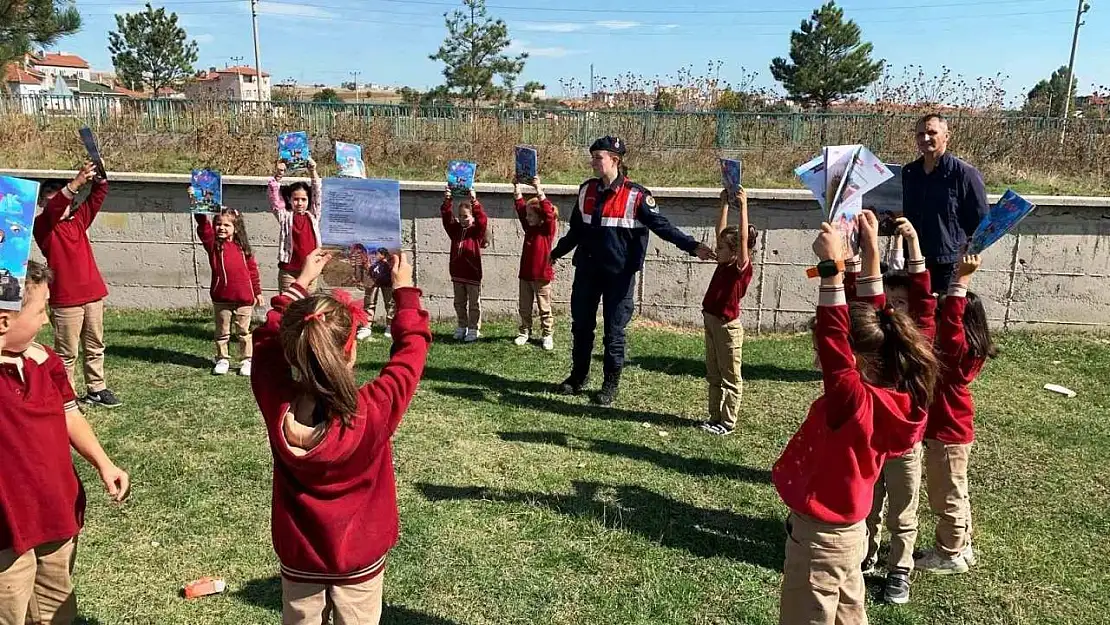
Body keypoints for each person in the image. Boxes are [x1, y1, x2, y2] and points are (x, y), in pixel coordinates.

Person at [250, 249, 432, 625]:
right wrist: (404, 292)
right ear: (351, 353)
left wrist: (298, 286)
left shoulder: (276, 404)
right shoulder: (373, 411)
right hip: (359, 562)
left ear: (294, 352)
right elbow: (411, 351)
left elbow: (266, 343)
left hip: (300, 559)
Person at [773, 216, 938, 625]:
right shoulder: (897, 394)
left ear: (858, 360)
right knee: (849, 614)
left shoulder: (853, 401)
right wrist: (870, 254)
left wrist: (831, 270)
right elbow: (877, 324)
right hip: (851, 533)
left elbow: (834, 341)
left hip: (820, 541)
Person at [0, 261, 130, 624]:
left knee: (57, 606)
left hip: (55, 511)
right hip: (7, 529)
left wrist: (104, 463)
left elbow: (70, 415)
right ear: (3, 321)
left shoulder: (47, 361)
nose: (45, 321)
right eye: (40, 310)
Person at [550, 136, 714, 406]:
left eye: (597, 157)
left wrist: (692, 246)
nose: (592, 162)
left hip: (619, 277)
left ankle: (609, 385)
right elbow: (576, 232)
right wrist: (555, 253)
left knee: (614, 333)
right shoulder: (586, 190)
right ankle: (578, 377)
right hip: (588, 272)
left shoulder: (637, 195)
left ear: (614, 160)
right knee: (581, 328)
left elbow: (662, 226)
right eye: (592, 157)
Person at [857, 217, 938, 604]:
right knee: (868, 504)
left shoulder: (921, 339)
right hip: (872, 439)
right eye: (891, 302)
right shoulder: (875, 341)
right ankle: (866, 556)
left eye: (902, 302)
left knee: (903, 511)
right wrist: (860, 249)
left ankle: (899, 569)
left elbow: (923, 295)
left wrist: (914, 241)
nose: (895, 307)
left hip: (905, 443)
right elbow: (868, 298)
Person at [916, 253, 996, 575]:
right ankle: (963, 546)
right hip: (955, 432)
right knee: (957, 490)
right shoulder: (969, 353)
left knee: (945, 495)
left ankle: (948, 553)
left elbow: (950, 331)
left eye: (947, 314)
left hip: (947, 435)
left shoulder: (956, 351)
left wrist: (961, 281)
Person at [33, 162, 122, 408]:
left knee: (95, 346)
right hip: (65, 301)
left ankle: (97, 389)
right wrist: (76, 182)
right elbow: (55, 208)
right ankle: (67, 396)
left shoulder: (79, 220)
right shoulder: (43, 227)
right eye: (50, 202)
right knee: (66, 353)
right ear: (43, 204)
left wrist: (100, 179)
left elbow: (97, 197)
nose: (58, 206)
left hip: (93, 295)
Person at [902, 113, 989, 294]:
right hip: (912, 259)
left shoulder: (965, 174)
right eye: (920, 134)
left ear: (946, 136)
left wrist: (966, 257)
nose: (925, 138)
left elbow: (981, 222)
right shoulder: (909, 173)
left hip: (947, 264)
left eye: (932, 133)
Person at [699, 187, 756, 436]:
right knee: (713, 373)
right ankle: (714, 416)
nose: (716, 249)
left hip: (727, 327)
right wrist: (723, 204)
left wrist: (743, 206)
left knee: (730, 376)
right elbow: (719, 231)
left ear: (734, 253)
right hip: (710, 321)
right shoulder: (723, 262)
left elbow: (742, 239)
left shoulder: (740, 267)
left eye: (722, 247)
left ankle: (727, 422)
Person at [194, 208, 263, 376]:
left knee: (244, 332)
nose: (222, 228)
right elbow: (203, 226)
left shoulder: (243, 248)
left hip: (244, 299)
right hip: (221, 299)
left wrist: (257, 292)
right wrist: (198, 206)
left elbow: (253, 271)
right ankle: (222, 359)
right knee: (222, 331)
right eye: (218, 224)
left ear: (236, 228)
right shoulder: (214, 246)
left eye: (227, 225)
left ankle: (247, 360)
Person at [512, 176, 557, 351]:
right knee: (524, 306)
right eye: (528, 215)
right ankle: (524, 331)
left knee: (544, 308)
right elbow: (520, 208)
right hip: (525, 275)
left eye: (531, 215)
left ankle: (547, 334)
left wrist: (539, 189)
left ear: (540, 217)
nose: (527, 218)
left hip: (542, 276)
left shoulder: (547, 230)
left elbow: (549, 213)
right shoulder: (529, 228)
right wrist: (517, 187)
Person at [267, 157, 323, 292]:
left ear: (309, 200)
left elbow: (317, 191)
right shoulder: (285, 216)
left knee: (307, 309)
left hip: (310, 271)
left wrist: (312, 170)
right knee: (287, 307)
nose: (299, 203)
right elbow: (274, 197)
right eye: (296, 199)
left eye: (303, 199)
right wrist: (279, 175)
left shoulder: (313, 215)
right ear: (290, 200)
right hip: (289, 271)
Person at [441, 186, 488, 343]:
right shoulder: (455, 230)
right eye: (460, 216)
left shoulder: (476, 232)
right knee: (459, 302)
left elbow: (482, 220)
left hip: (472, 273)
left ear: (472, 217)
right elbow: (446, 217)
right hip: (457, 273)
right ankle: (462, 325)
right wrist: (448, 199)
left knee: (474, 303)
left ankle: (474, 328)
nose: (462, 219)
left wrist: (474, 200)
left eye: (466, 216)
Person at [356, 248, 395, 342]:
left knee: (390, 303)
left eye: (378, 254)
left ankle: (391, 325)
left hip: (387, 282)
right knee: (369, 302)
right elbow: (369, 270)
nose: (375, 256)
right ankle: (366, 326)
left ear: (383, 255)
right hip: (373, 281)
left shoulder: (388, 263)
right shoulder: (374, 263)